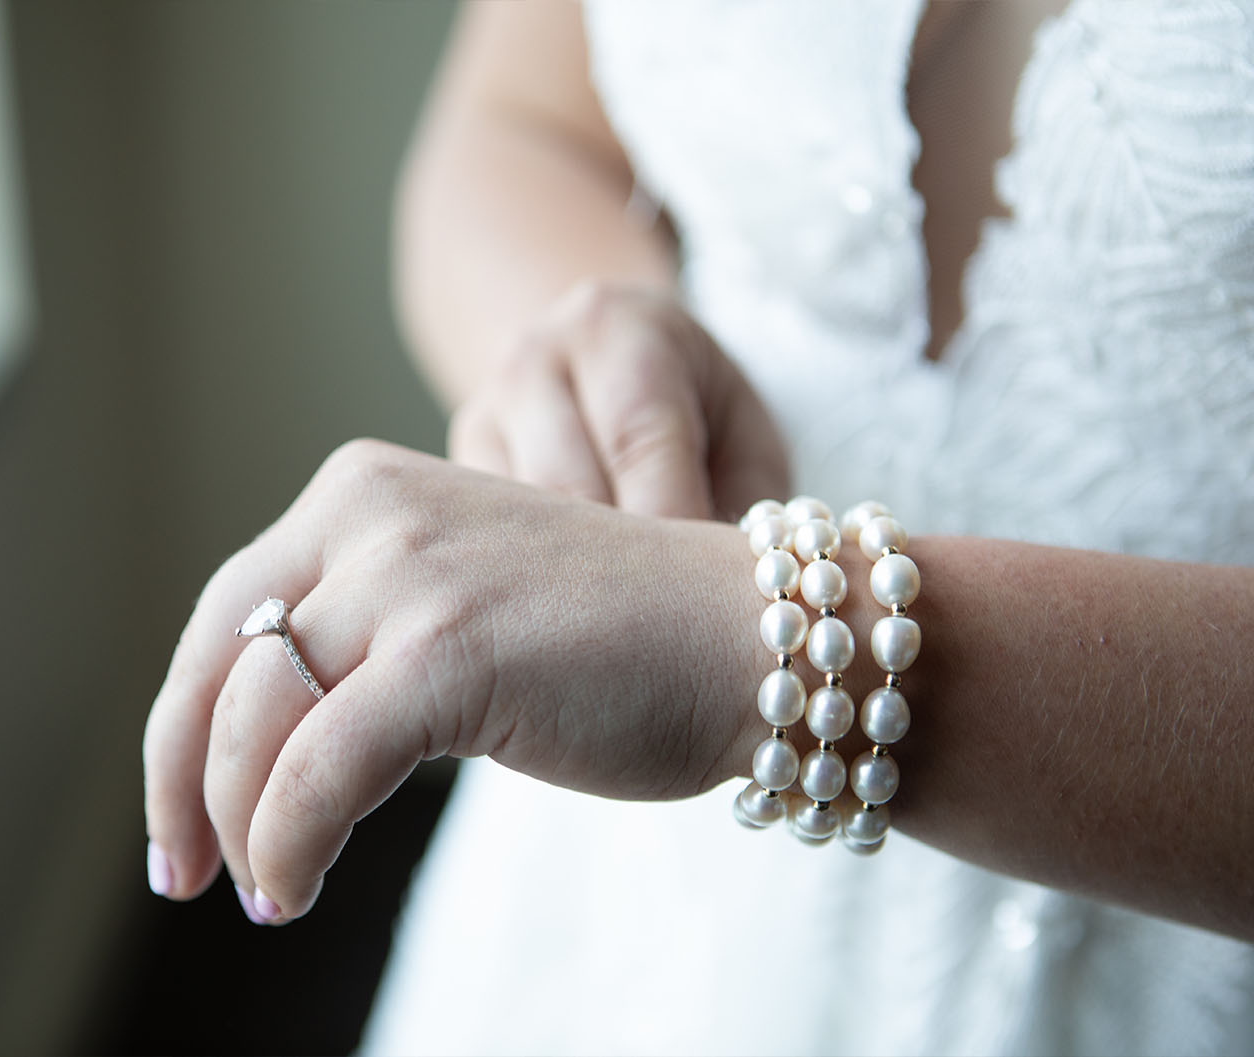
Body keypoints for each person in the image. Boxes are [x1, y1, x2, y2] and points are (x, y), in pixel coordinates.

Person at [141, 1, 1254, 1052]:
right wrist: (594, 367)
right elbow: (517, 129)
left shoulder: (732, 644)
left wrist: (761, 639)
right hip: (614, 814)